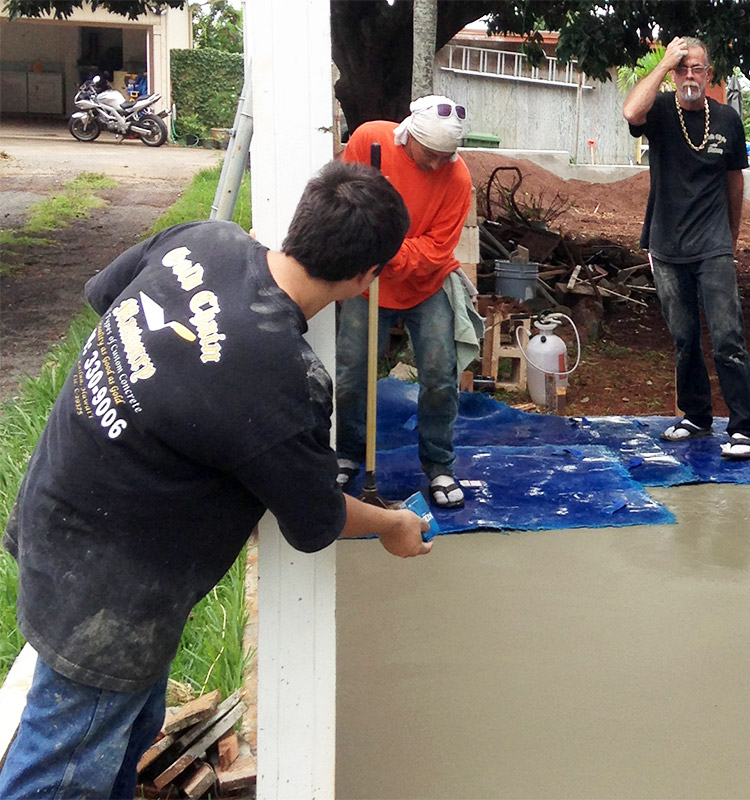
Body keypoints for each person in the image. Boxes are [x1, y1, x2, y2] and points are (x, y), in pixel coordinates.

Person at [0, 161, 430, 799]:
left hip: (59, 508)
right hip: (108, 595)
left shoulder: (204, 240)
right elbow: (317, 521)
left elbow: (105, 299)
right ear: (366, 278)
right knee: (59, 774)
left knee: (122, 734)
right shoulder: (283, 380)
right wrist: (393, 524)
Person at [623, 37, 750, 460]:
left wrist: (730, 238)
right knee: (684, 338)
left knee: (727, 338)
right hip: (665, 244)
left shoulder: (727, 120)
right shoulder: (661, 111)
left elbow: (735, 181)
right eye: (683, 69)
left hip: (712, 243)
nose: (689, 76)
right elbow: (630, 112)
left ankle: (742, 429)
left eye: (696, 68)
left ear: (709, 74)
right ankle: (697, 417)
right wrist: (664, 63)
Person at [337, 95, 474, 507]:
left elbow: (436, 249)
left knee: (438, 374)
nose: (437, 164)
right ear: (409, 135)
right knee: (351, 375)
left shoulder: (458, 178)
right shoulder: (368, 142)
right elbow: (342, 201)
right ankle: (347, 453)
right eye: (430, 154)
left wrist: (388, 250)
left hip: (427, 285)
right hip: (367, 281)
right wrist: (363, 245)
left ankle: (439, 467)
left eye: (446, 156)